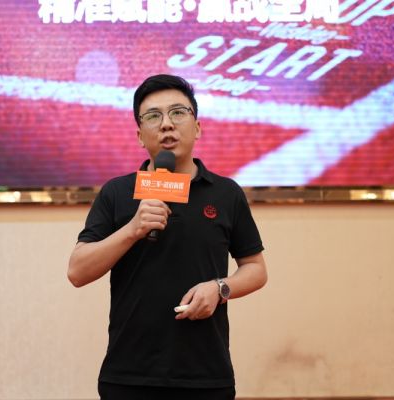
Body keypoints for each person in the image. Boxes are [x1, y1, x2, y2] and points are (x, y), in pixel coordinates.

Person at [68, 74, 268, 400]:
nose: (166, 124)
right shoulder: (117, 192)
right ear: (139, 135)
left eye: (178, 112)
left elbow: (256, 269)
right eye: (153, 116)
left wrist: (220, 289)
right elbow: (78, 271)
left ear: (197, 127)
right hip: (129, 374)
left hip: (205, 374)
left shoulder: (226, 193)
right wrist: (132, 229)